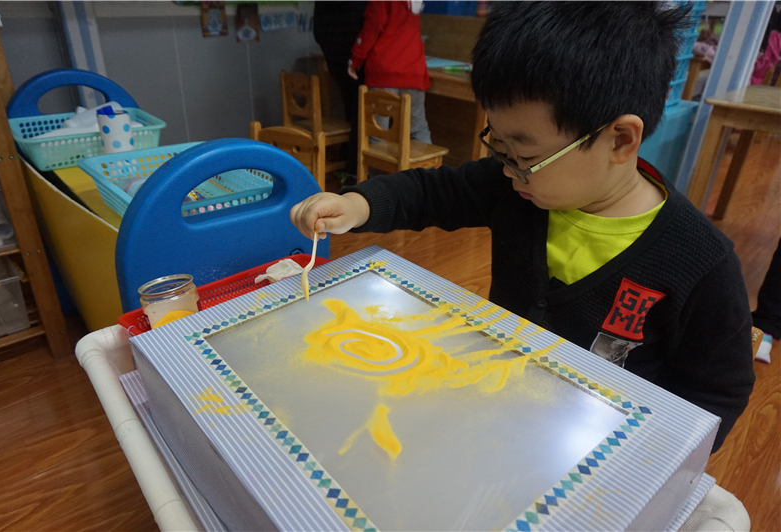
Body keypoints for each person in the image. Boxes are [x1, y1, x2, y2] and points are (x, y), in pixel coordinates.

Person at [290, 2, 755, 453]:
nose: (509, 169)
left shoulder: (700, 262)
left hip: (597, 448)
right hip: (499, 406)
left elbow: (716, 394)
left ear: (619, 140)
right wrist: (356, 204)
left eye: (526, 156)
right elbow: (432, 192)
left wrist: (652, 459)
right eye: (500, 146)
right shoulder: (516, 187)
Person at [347, 0, 432, 144]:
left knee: (378, 132)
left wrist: (355, 59)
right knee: (418, 129)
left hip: (384, 71)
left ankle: (377, 161)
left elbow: (372, 28)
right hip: (414, 70)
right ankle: (427, 159)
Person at [313, 1, 367, 179]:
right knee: (361, 117)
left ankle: (347, 162)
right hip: (358, 61)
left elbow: (318, 31)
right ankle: (354, 172)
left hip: (335, 59)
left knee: (352, 110)